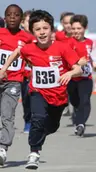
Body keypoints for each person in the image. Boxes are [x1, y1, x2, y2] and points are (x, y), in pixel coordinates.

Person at [0, 10, 86, 169]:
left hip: (59, 97)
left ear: (52, 30)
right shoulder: (29, 48)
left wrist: (70, 73)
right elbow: (17, 52)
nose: (42, 32)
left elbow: (79, 69)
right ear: (32, 32)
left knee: (52, 126)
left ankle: (39, 136)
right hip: (37, 91)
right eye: (37, 29)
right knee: (37, 119)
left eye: (45, 28)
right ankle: (34, 153)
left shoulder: (62, 48)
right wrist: (4, 68)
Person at [0, 4, 35, 166]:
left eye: (16, 15)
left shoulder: (27, 38)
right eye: (9, 15)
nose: (12, 17)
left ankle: (2, 147)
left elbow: (38, 53)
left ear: (21, 19)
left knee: (7, 114)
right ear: (4, 18)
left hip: (13, 82)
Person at [69, 14, 96, 137]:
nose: (76, 31)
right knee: (75, 102)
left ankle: (81, 124)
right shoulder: (68, 43)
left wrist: (94, 65)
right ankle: (78, 117)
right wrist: (76, 62)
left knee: (85, 101)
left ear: (85, 28)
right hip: (72, 78)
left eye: (79, 28)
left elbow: (88, 57)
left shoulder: (89, 42)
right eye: (74, 29)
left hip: (85, 78)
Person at [56, 12, 75, 117]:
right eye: (66, 23)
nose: (69, 25)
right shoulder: (58, 36)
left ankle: (75, 109)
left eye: (71, 23)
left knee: (73, 90)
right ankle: (65, 105)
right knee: (63, 88)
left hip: (74, 68)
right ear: (62, 24)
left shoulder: (77, 35)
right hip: (61, 67)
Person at [20, 10, 34, 133]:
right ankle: (28, 121)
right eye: (28, 21)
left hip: (37, 75)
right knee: (26, 100)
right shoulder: (18, 37)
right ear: (22, 23)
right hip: (21, 75)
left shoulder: (40, 37)